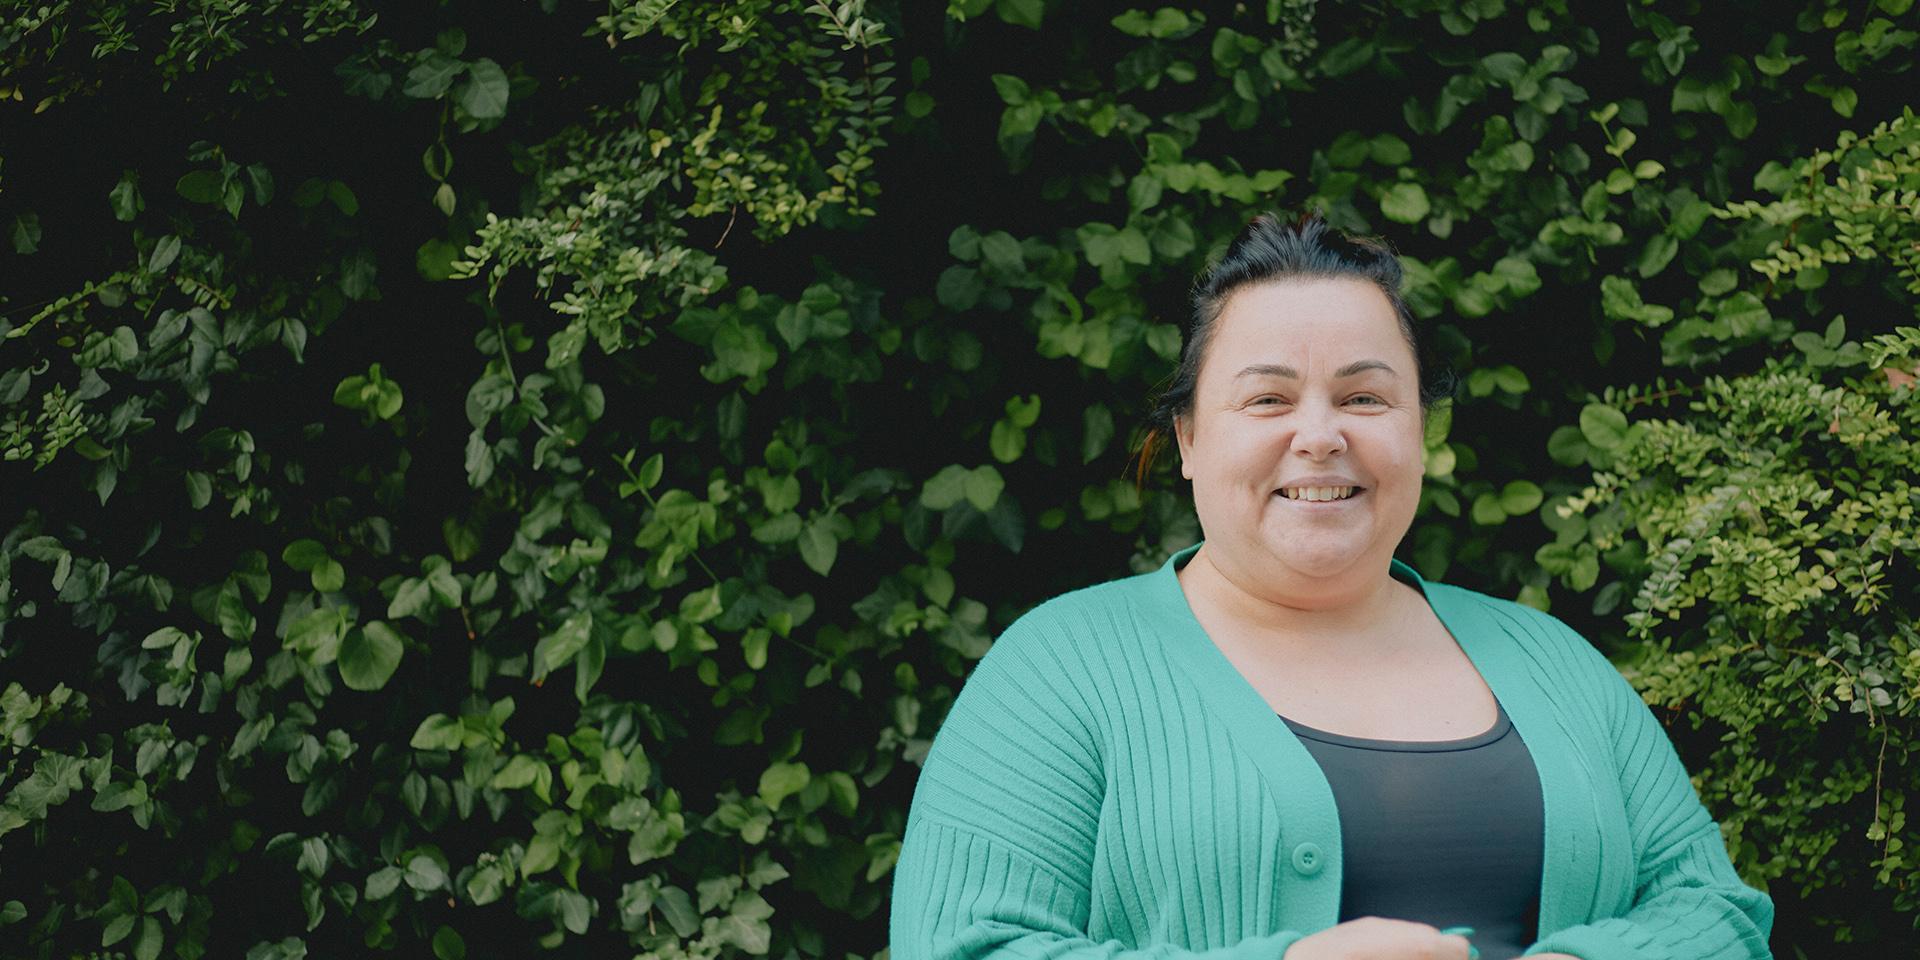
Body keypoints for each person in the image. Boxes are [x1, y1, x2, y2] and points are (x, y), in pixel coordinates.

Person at [888, 213, 1773, 960]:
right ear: (1190, 440)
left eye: (1365, 397)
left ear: (1419, 429)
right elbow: (966, 944)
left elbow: (1720, 915)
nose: (1319, 435)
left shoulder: (1552, 662)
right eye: (1268, 400)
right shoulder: (1060, 671)